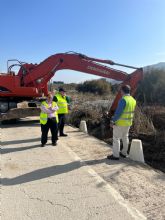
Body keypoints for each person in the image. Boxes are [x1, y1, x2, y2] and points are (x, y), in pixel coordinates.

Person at [107, 85, 136, 160]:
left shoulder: (123, 100)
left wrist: (112, 121)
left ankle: (115, 155)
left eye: (120, 91)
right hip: (128, 123)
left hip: (120, 123)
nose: (120, 92)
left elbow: (118, 113)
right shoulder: (133, 100)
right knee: (125, 137)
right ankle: (124, 153)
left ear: (122, 91)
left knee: (116, 139)